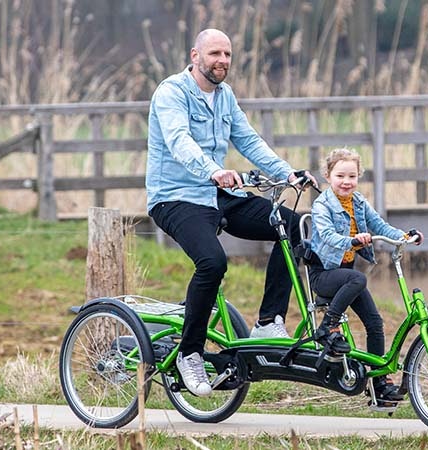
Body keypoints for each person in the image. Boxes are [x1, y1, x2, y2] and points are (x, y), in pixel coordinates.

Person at [146, 28, 315, 397]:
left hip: (217, 193)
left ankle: (269, 321)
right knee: (212, 263)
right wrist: (213, 170)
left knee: (295, 225)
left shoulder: (225, 97)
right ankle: (189, 354)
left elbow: (248, 139)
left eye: (227, 55)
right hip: (176, 197)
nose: (222, 61)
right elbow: (179, 141)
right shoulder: (171, 92)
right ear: (195, 55)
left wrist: (286, 172)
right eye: (214, 54)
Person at [309, 148, 423, 403]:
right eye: (340, 176)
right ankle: (327, 327)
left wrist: (404, 237)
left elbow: (379, 225)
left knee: (375, 323)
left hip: (346, 276)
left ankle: (378, 384)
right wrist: (352, 240)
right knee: (359, 280)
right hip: (324, 274)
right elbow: (327, 236)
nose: (346, 182)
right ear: (328, 175)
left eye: (352, 176)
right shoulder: (322, 205)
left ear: (359, 176)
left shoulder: (358, 202)